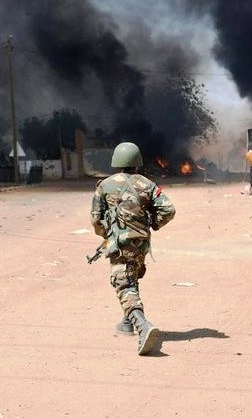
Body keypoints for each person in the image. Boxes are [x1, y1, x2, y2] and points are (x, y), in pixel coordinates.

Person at [90, 142, 175, 355]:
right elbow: (169, 210)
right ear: (137, 161)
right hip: (141, 244)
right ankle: (127, 322)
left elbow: (96, 219)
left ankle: (142, 325)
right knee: (131, 278)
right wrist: (153, 223)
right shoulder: (148, 184)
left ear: (116, 161)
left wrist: (106, 235)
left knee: (122, 284)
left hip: (120, 245)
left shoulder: (105, 185)